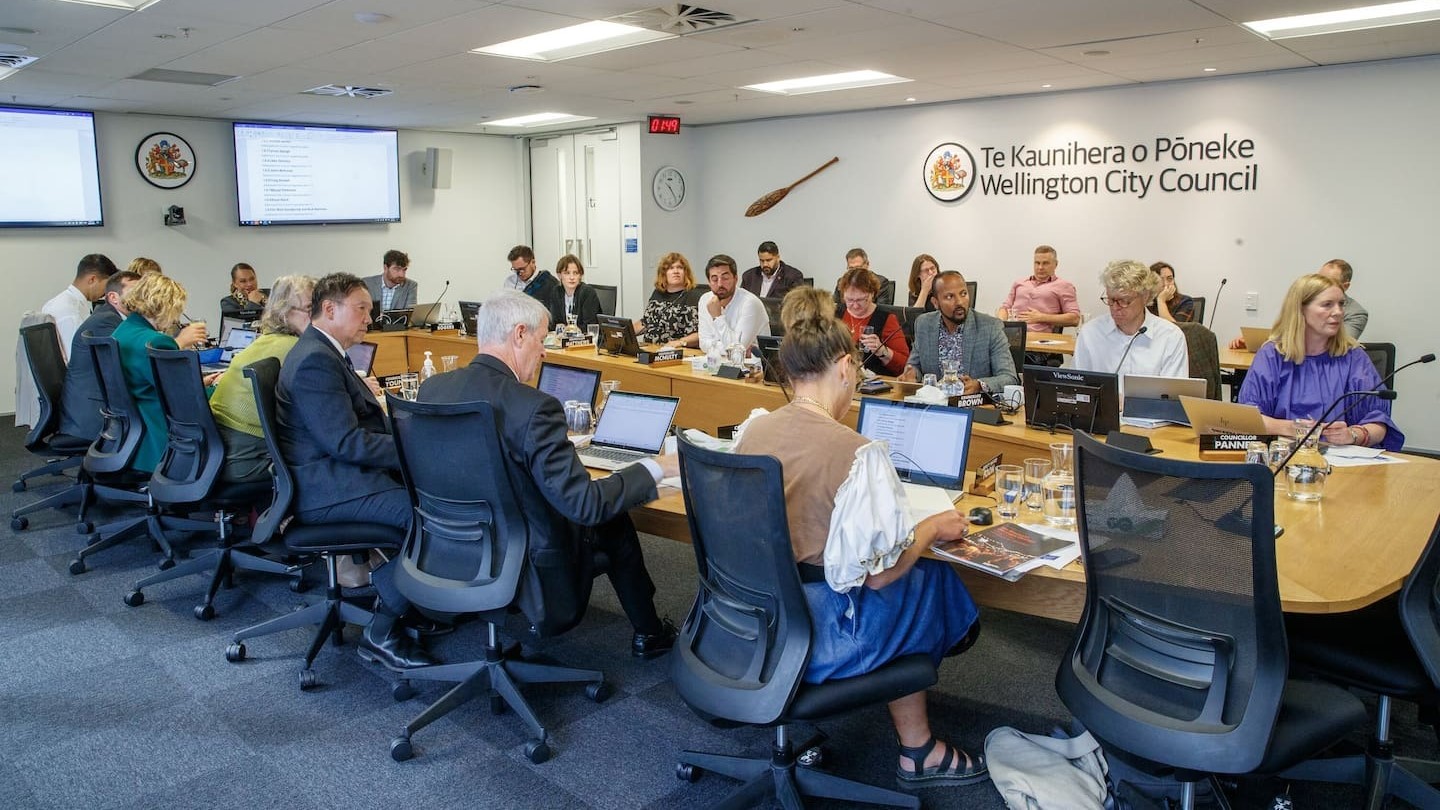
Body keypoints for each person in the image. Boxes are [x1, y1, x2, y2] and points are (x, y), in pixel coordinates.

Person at [734, 290, 986, 789]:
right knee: (926, 577)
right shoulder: (858, 451)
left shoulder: (754, 432)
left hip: (745, 622)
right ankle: (919, 752)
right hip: (818, 635)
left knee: (905, 576)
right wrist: (931, 528)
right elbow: (879, 576)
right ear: (847, 366)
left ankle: (917, 744)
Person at [420, 291, 680, 655]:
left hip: (453, 546)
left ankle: (649, 633)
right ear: (520, 334)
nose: (544, 352)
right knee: (612, 521)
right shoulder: (534, 407)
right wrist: (655, 467)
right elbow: (585, 505)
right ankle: (649, 634)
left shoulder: (434, 388)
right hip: (523, 559)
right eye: (541, 340)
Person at [276, 272, 434, 670]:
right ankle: (382, 629)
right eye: (362, 309)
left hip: (335, 475)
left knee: (428, 498)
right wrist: (416, 448)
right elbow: (346, 444)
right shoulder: (315, 360)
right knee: (428, 518)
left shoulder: (323, 351)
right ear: (330, 309)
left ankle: (413, 599)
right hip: (327, 488)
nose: (369, 318)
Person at [1239, 273, 1402, 449]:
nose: (1338, 312)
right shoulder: (1272, 355)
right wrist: (1293, 428)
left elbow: (1379, 424)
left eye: (1341, 304)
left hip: (1343, 462)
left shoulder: (1353, 356)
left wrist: (1353, 435)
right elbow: (1249, 418)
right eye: (1327, 305)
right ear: (1300, 309)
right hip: (1283, 457)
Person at [210, 275, 314, 483]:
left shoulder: (266, 341)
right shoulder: (295, 350)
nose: (318, 317)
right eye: (311, 309)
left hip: (220, 453)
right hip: (247, 457)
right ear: (286, 311)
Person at [111, 273, 212, 473]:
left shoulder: (122, 331)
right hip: (158, 432)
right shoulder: (156, 342)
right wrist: (221, 388)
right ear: (165, 306)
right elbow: (183, 399)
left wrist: (201, 383)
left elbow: (157, 383)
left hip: (130, 433)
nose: (177, 317)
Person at [1072, 260, 1188, 392]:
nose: (1115, 308)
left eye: (1124, 301)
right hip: (1101, 411)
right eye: (1110, 300)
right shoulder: (1090, 332)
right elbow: (1077, 387)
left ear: (1145, 297)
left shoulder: (1170, 336)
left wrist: (1128, 404)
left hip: (1147, 412)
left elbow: (1173, 398)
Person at [901, 271, 1017, 393]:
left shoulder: (990, 326)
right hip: (935, 405)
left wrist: (979, 385)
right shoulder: (924, 324)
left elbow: (1009, 378)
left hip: (973, 407)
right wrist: (912, 374)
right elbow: (915, 366)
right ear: (935, 303)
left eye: (963, 294)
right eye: (950, 297)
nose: (960, 302)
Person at [58, 270, 140, 442]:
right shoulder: (106, 322)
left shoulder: (108, 316)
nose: (142, 296)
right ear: (113, 297)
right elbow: (134, 363)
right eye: (135, 291)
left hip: (90, 407)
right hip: (93, 416)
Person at [1227, 258, 1370, 349]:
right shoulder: (1306, 302)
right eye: (1320, 278)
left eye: (1330, 281)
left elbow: (1337, 344)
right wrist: (1257, 342)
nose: (1322, 284)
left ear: (1346, 286)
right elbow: (1288, 331)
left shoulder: (1357, 313)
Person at [42, 253, 117, 360]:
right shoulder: (72, 312)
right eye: (106, 286)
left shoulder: (57, 302)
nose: (106, 292)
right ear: (92, 280)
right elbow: (78, 357)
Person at [837, 266, 909, 376]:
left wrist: (883, 351)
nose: (855, 306)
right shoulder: (835, 314)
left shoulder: (886, 319)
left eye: (861, 299)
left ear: (872, 294)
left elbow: (905, 366)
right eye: (850, 300)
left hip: (872, 385)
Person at [996, 245, 1080, 334]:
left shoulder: (1064, 286)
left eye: (1045, 263)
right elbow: (1005, 308)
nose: (1040, 267)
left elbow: (1075, 319)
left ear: (1056, 264)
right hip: (1011, 337)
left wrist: (1041, 317)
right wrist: (1000, 325)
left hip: (1040, 340)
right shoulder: (1019, 283)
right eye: (1037, 263)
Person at [698, 254, 770, 353]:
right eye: (714, 279)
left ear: (735, 279)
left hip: (752, 366)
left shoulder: (750, 303)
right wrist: (728, 347)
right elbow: (703, 344)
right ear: (709, 282)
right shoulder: (705, 300)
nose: (720, 284)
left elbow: (736, 351)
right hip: (717, 363)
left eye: (725, 278)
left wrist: (717, 317)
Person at [639, 252, 703, 348]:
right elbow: (646, 322)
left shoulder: (694, 296)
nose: (676, 271)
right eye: (670, 268)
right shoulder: (658, 293)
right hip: (651, 348)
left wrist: (680, 342)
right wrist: (624, 330)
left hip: (679, 352)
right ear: (664, 273)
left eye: (680, 268)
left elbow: (703, 333)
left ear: (686, 272)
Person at [548, 254, 603, 332]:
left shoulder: (587, 293)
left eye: (576, 273)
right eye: (567, 273)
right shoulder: (556, 292)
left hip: (584, 339)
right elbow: (554, 323)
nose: (572, 277)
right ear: (559, 275)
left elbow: (590, 325)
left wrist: (571, 329)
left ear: (580, 276)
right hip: (563, 340)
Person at [1319, 258, 1368, 338]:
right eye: (1318, 278)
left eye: (1328, 282)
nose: (1320, 284)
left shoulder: (1355, 313)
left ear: (1345, 286)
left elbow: (1342, 345)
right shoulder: (1304, 301)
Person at [503, 245, 561, 311]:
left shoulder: (549, 283)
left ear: (533, 262)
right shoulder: (509, 282)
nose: (519, 273)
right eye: (515, 270)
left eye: (522, 269)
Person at [740, 240, 804, 299]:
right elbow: (741, 300)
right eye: (762, 261)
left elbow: (796, 304)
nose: (765, 264)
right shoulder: (749, 276)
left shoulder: (793, 276)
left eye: (768, 260)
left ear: (778, 258)